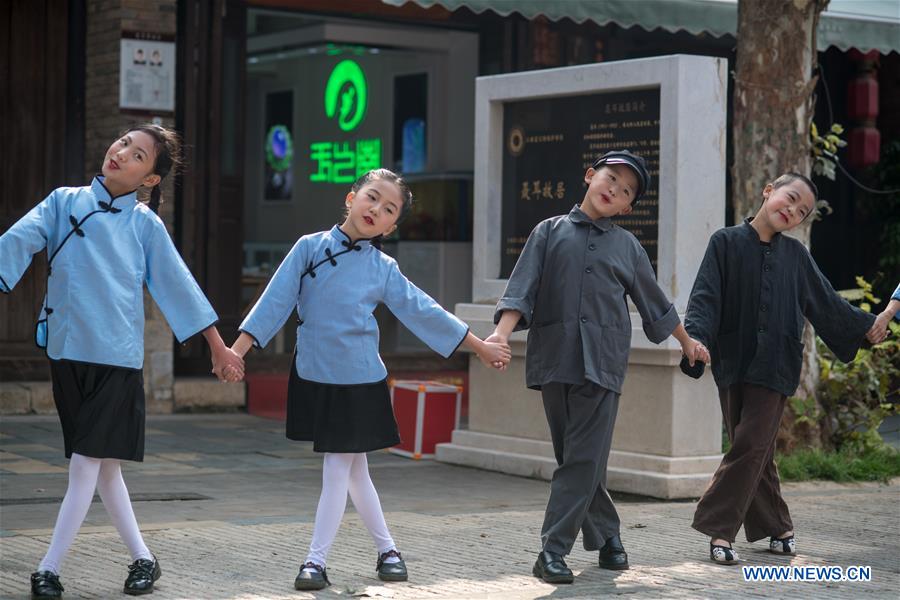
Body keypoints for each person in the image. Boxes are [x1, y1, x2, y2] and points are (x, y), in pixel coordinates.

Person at [228, 168, 511, 591]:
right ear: (351, 197)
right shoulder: (308, 248)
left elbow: (423, 310)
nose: (376, 209)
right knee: (355, 470)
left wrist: (480, 346)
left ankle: (315, 560)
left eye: (388, 209)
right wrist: (236, 352)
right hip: (315, 373)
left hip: (360, 379)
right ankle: (388, 551)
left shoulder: (384, 267)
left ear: (392, 226)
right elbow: (276, 299)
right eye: (372, 198)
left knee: (338, 466)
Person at [0, 124, 245, 599]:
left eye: (138, 156)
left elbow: (179, 285)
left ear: (149, 180)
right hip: (67, 353)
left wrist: (218, 346)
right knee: (105, 468)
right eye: (123, 143)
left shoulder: (144, 225)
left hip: (116, 360)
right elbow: (16, 241)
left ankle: (48, 568)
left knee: (86, 465)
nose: (122, 153)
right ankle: (144, 560)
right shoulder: (62, 201)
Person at [487, 150, 709, 584]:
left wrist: (687, 343)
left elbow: (654, 302)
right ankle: (608, 539)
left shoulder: (627, 246)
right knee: (577, 459)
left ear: (627, 207)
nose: (614, 189)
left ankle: (552, 550)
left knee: (582, 459)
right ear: (590, 176)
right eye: (610, 178)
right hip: (554, 358)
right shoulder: (548, 232)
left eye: (626, 191)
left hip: (603, 363)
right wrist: (500, 334)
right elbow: (522, 289)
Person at [683, 172, 877, 564]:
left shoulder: (796, 257)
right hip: (732, 358)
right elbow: (706, 295)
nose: (792, 210)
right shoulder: (724, 242)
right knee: (757, 451)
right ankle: (779, 526)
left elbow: (827, 304)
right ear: (768, 190)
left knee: (750, 444)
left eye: (802, 211)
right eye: (790, 199)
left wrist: (865, 327)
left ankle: (719, 530)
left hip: (777, 363)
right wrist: (695, 339)